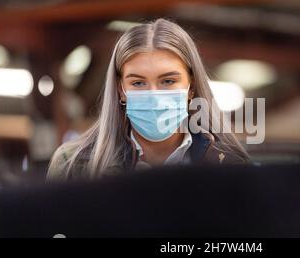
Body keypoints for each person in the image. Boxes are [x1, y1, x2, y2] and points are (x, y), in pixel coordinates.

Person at [47, 18, 250, 181]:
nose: (154, 95)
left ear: (191, 87)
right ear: (121, 89)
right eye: (138, 83)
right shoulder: (73, 164)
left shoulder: (231, 164)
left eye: (168, 81)